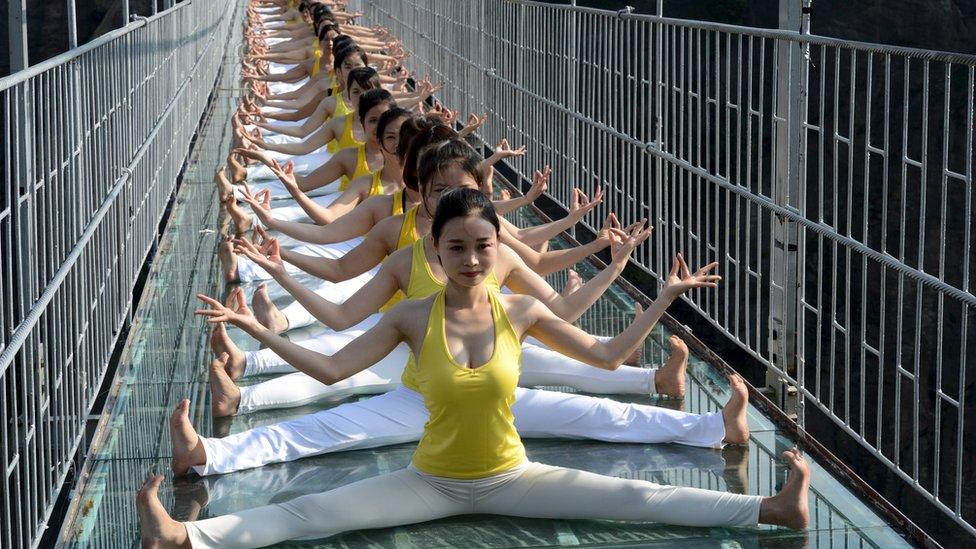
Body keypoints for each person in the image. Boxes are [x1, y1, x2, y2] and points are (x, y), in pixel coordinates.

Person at [137, 189, 810, 547]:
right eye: (457, 246)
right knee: (308, 512)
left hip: (514, 477)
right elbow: (332, 365)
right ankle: (185, 536)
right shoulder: (411, 317)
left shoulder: (516, 309)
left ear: (496, 247)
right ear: (437, 246)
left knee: (636, 499)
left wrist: (661, 297)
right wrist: (263, 333)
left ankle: (772, 509)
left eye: (482, 246)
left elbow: (604, 353)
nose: (471, 257)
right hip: (430, 481)